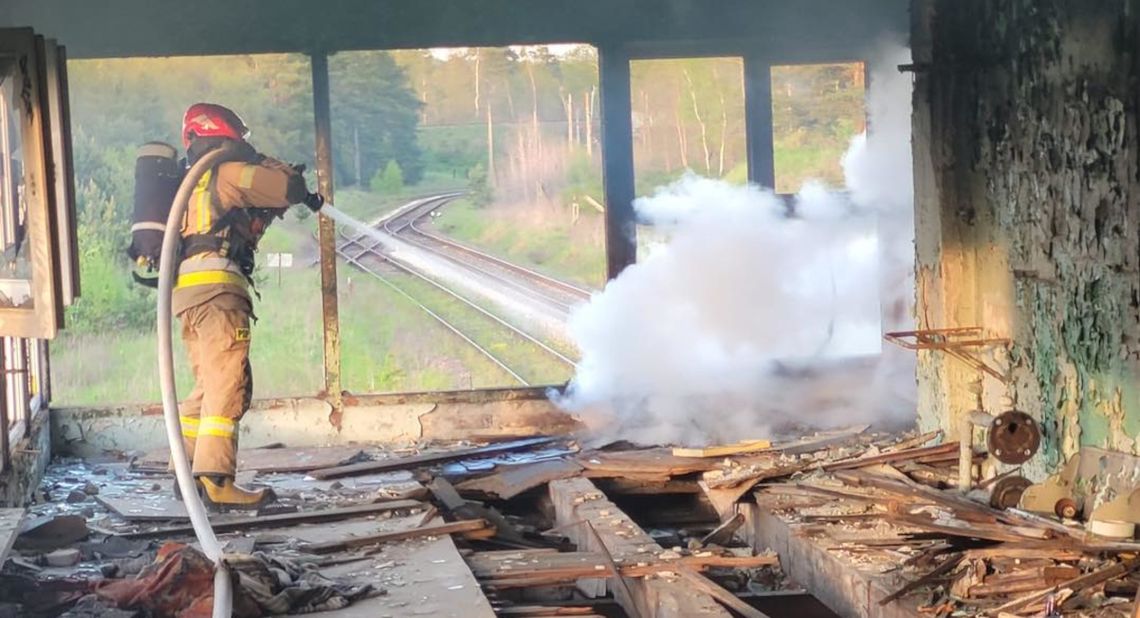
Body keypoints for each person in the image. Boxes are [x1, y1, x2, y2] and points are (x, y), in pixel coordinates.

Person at [174, 102, 323, 509]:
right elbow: (285, 189)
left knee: (207, 383)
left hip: (189, 292)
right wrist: (266, 163)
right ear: (230, 136)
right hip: (220, 289)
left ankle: (187, 473)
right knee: (228, 384)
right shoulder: (228, 171)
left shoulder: (194, 183)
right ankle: (217, 481)